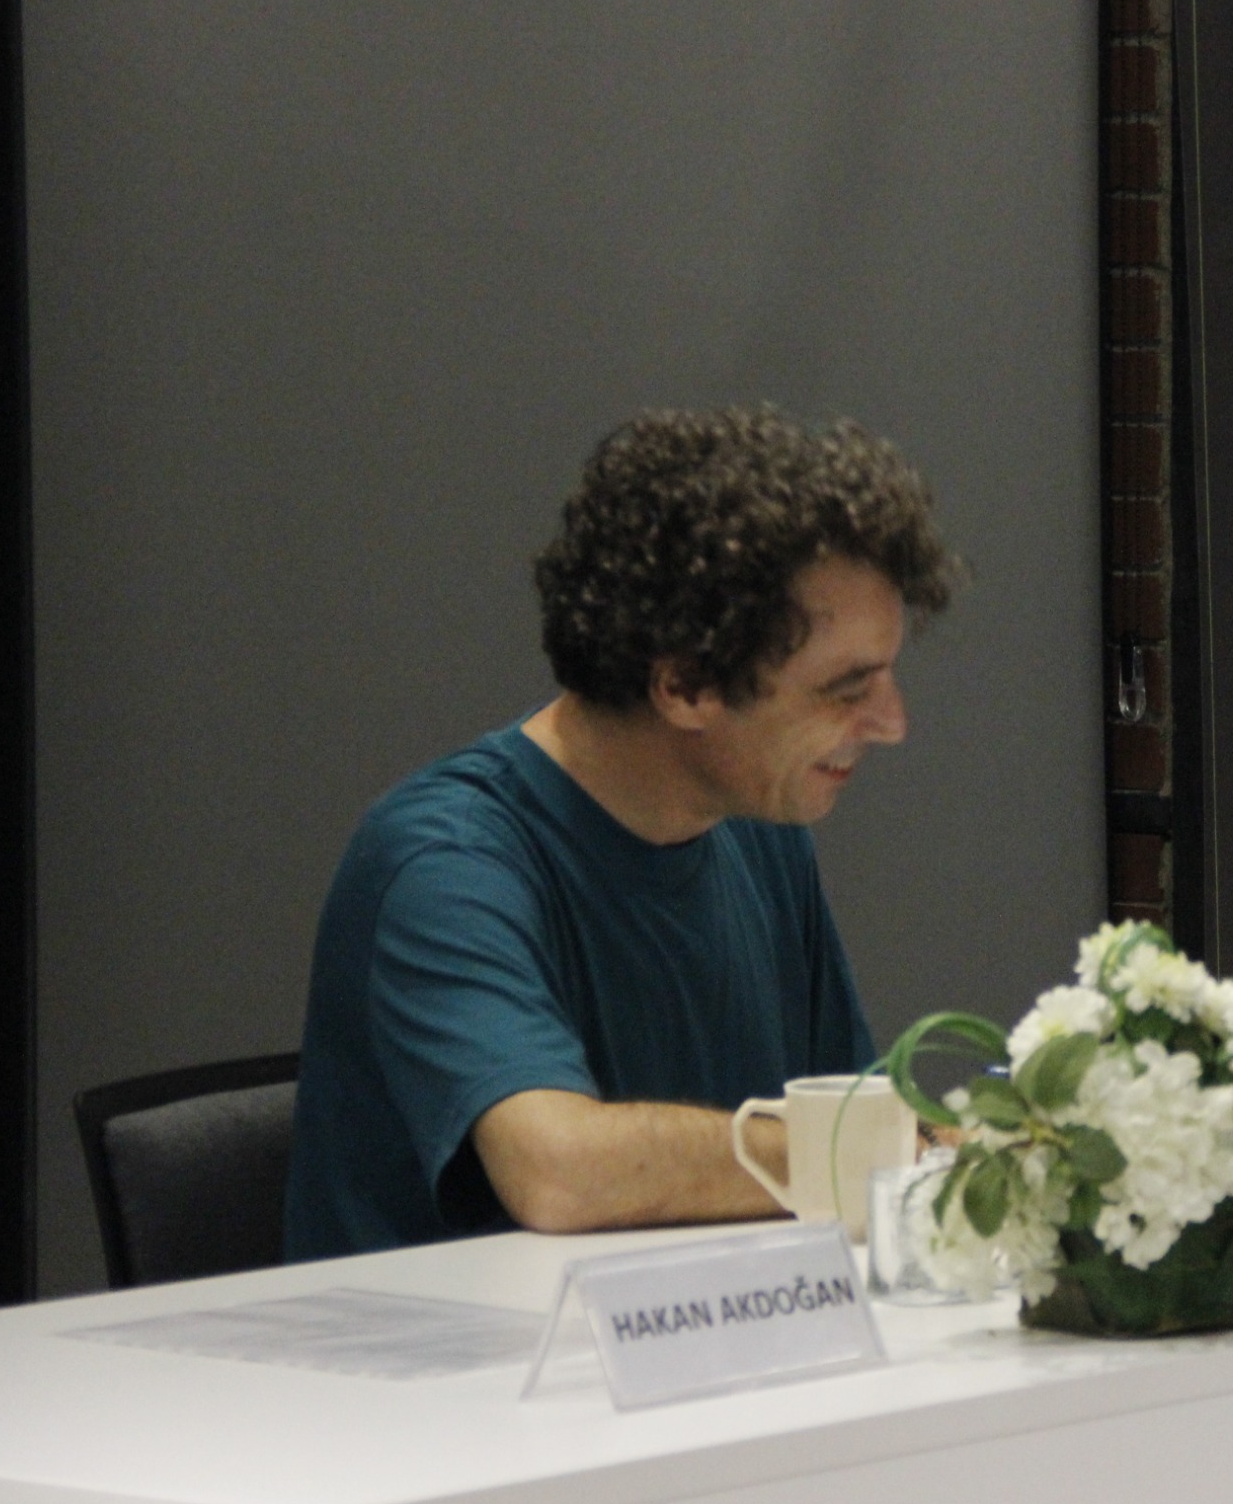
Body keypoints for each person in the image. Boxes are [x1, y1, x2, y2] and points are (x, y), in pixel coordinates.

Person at [283, 408, 962, 1258]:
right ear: (685, 686)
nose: (892, 724)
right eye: (845, 689)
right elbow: (560, 1172)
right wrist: (865, 1156)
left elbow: (864, 1122)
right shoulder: (446, 861)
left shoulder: (761, 831)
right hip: (462, 1344)